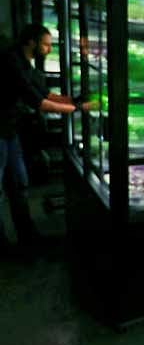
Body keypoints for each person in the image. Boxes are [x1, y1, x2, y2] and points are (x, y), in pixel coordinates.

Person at [0, 24, 85, 253]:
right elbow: (37, 101)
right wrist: (75, 109)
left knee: (19, 184)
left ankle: (27, 238)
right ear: (31, 42)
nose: (49, 49)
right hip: (0, 131)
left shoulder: (26, 63)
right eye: (46, 44)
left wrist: (76, 101)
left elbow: (46, 93)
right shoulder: (11, 62)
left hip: (9, 132)